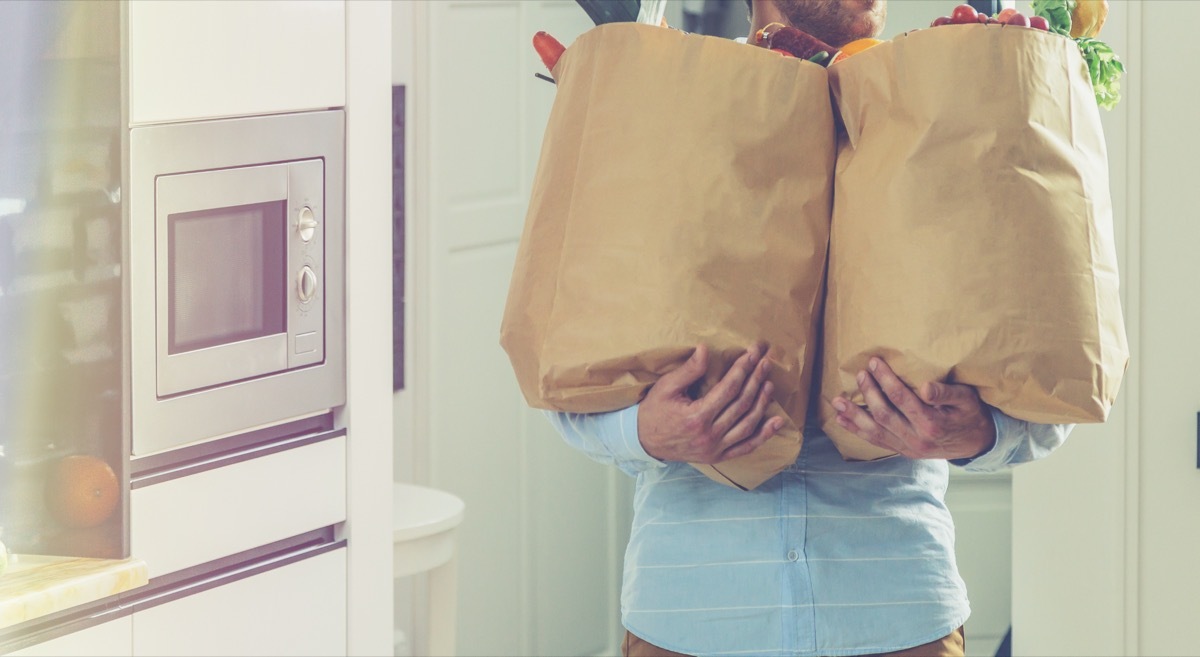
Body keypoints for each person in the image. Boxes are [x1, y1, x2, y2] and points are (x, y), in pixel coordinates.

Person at [544, 1, 1072, 656]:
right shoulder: (663, 106)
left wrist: (981, 433)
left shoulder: (949, 106)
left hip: (896, 613)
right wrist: (643, 431)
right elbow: (569, 370)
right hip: (693, 619)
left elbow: (1050, 358)